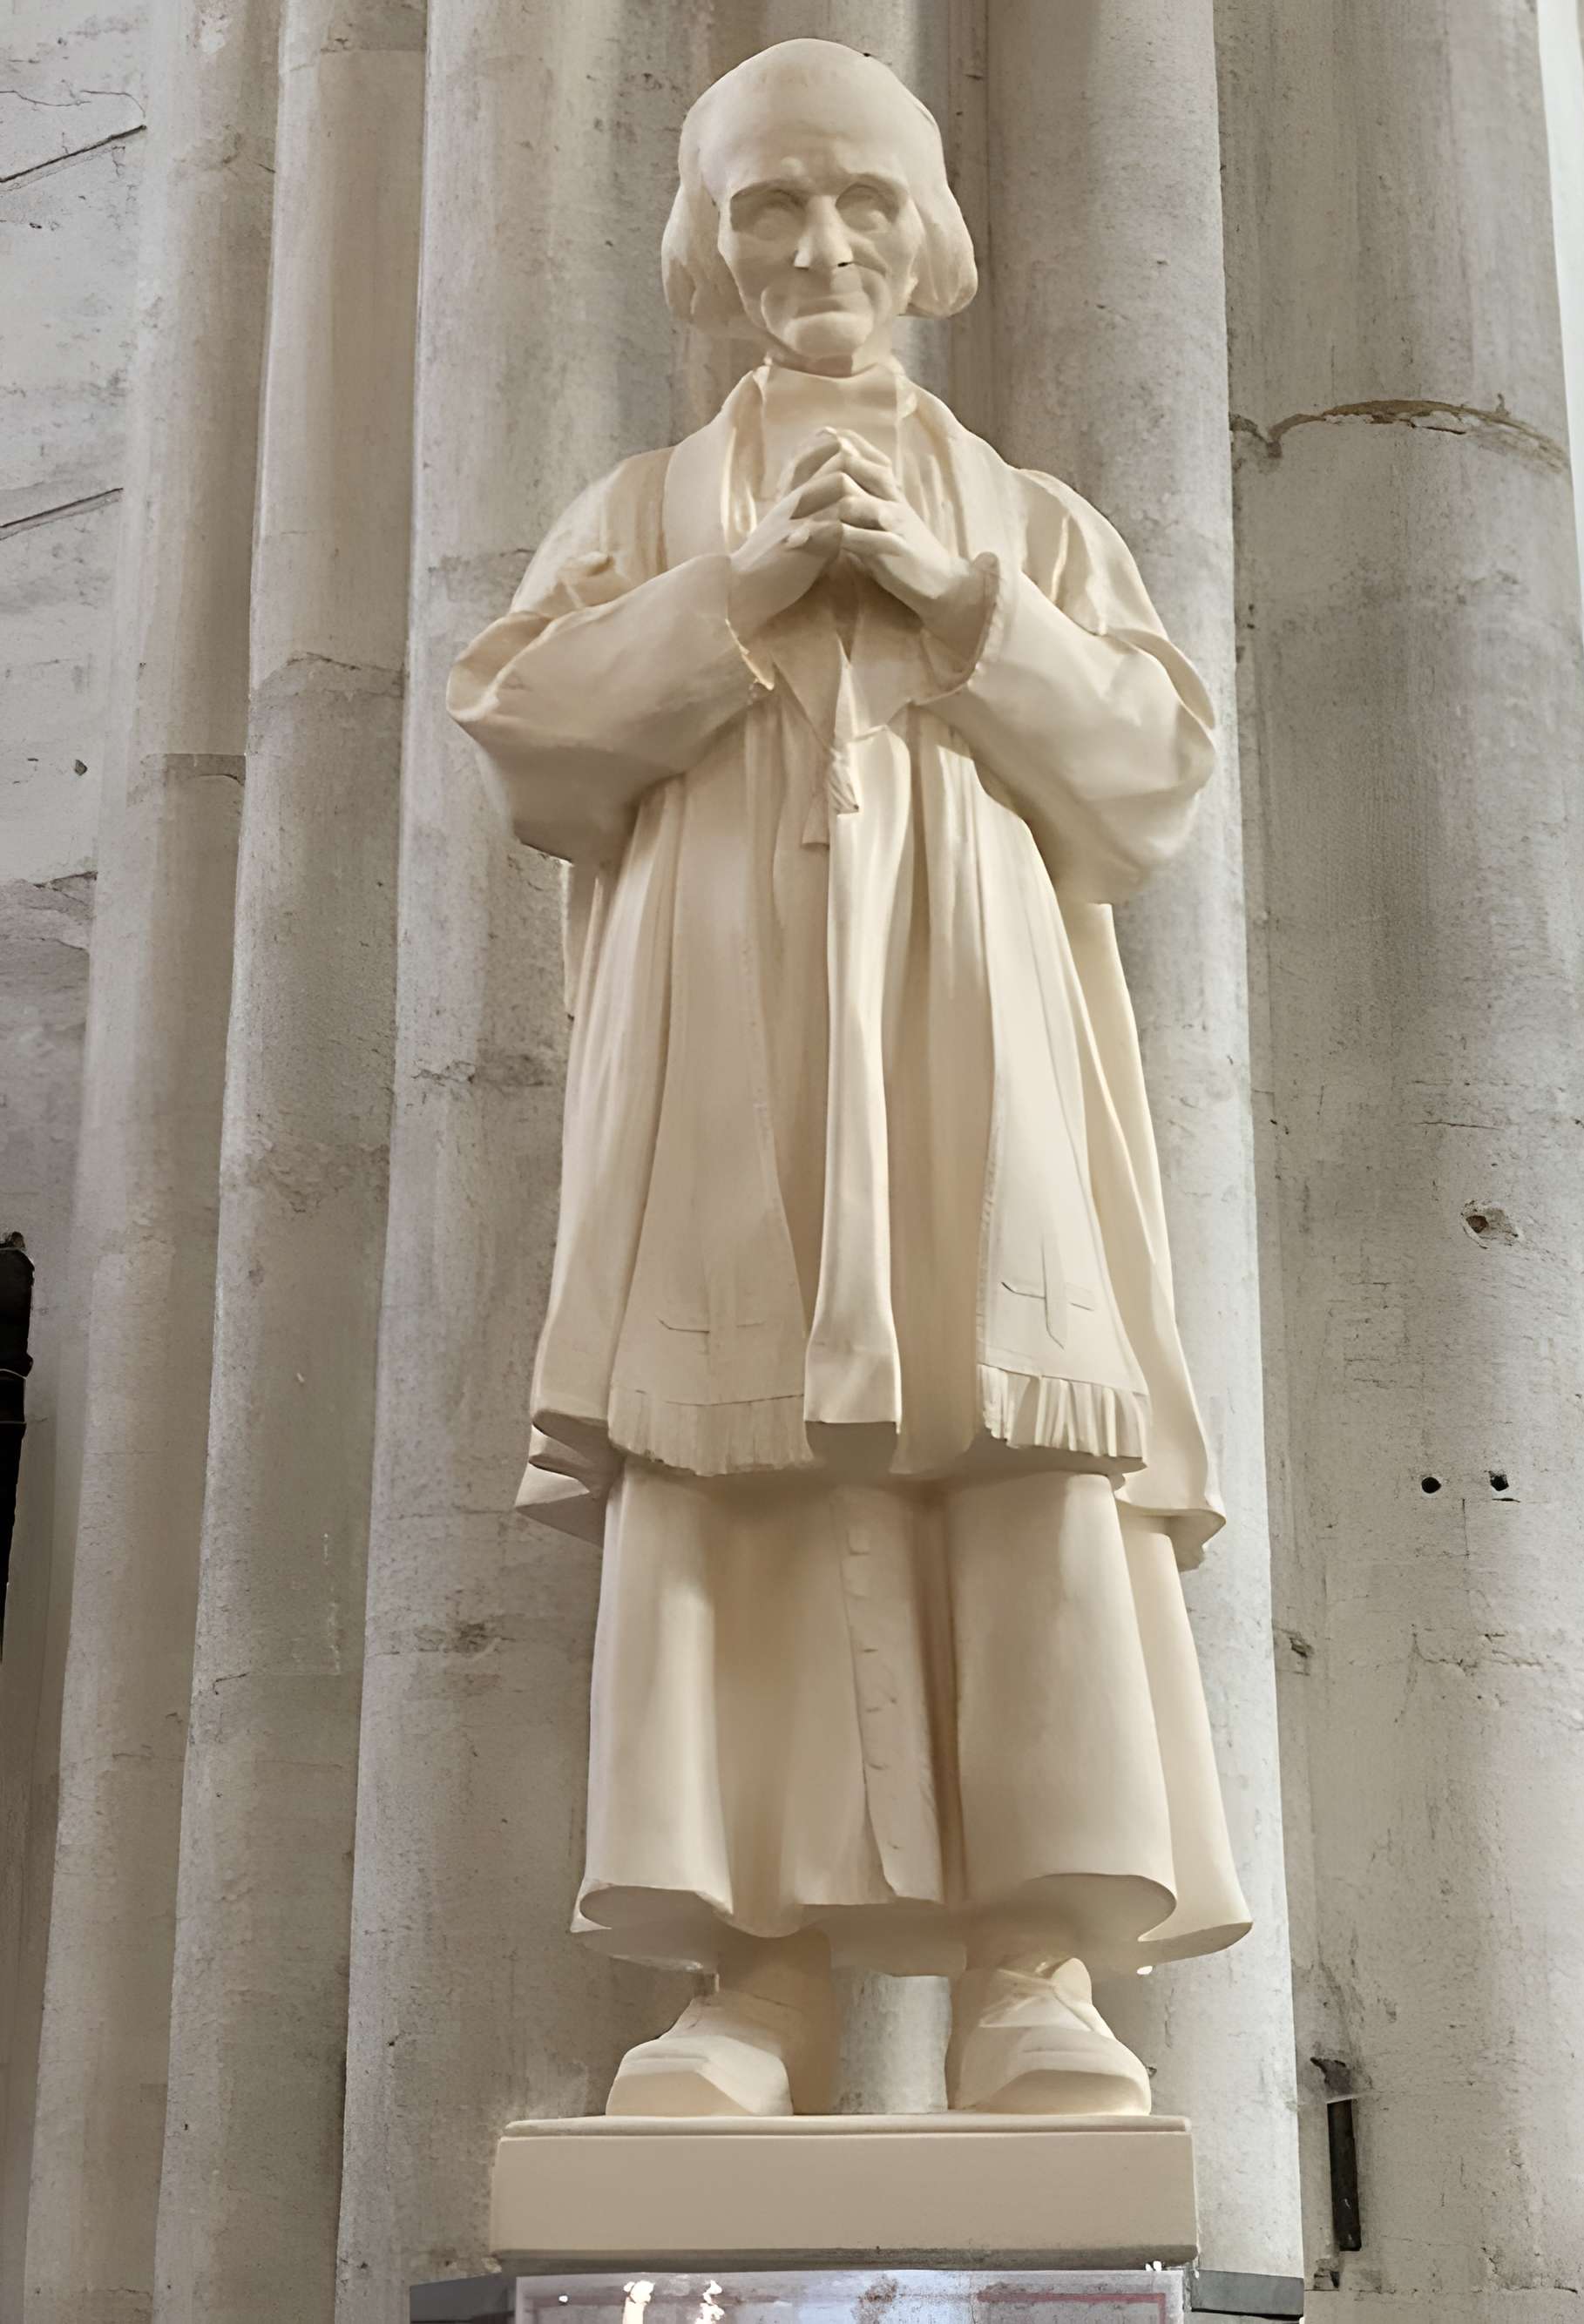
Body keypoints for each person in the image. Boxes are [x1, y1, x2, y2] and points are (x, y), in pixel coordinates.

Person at [450, 37, 1249, 2118]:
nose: (820, 246)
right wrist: (742, 587)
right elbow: (532, 739)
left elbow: (1153, 777)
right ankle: (753, 1980)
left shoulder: (1039, 525)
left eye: (861, 202)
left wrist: (950, 592)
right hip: (724, 1058)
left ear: (931, 236)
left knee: (1012, 1438)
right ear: (704, 250)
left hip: (984, 1051)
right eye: (770, 208)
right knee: (735, 1469)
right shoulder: (636, 513)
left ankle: (1032, 1968)